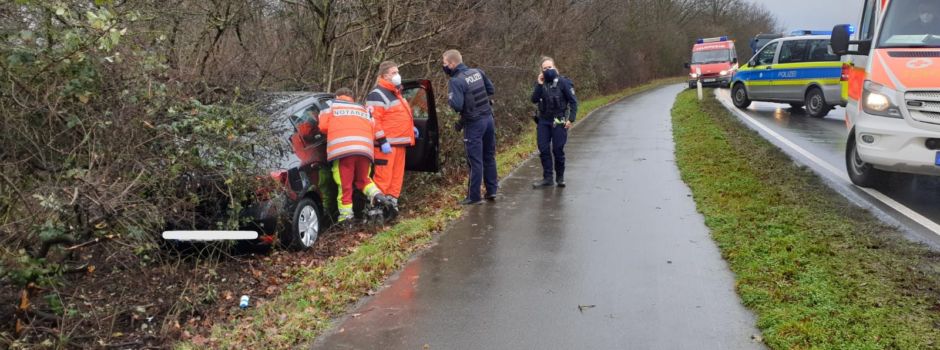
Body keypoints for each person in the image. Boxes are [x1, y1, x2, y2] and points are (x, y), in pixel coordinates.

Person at [317, 88, 393, 223]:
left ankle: (346, 219)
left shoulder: (330, 105)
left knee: (345, 186)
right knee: (364, 180)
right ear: (352, 98)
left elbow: (323, 127)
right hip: (365, 150)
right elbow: (374, 127)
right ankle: (380, 197)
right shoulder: (362, 108)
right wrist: (383, 141)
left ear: (337, 96)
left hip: (344, 151)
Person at [442, 49, 498, 205]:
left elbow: (457, 105)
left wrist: (451, 100)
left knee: (475, 161)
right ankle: (492, 190)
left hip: (474, 124)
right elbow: (491, 90)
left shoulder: (456, 81)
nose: (444, 66)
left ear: (452, 64)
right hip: (488, 119)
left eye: (445, 63)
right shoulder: (477, 72)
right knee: (489, 156)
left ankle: (474, 196)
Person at [366, 61, 418, 211]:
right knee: (383, 179)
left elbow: (396, 116)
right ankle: (377, 210)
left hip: (399, 144)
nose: (397, 75)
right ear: (384, 76)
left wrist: (410, 128)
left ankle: (391, 206)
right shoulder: (377, 94)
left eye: (398, 71)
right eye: (393, 73)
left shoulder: (395, 92)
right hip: (385, 146)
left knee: (396, 179)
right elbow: (374, 120)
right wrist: (382, 140)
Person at [531, 56, 578, 188]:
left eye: (549, 67)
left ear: (555, 67)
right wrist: (539, 84)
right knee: (543, 149)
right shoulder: (540, 83)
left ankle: (560, 177)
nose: (547, 70)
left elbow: (573, 102)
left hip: (559, 120)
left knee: (558, 149)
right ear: (541, 70)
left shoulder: (564, 82)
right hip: (544, 121)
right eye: (545, 68)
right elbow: (534, 99)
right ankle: (547, 178)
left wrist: (571, 119)